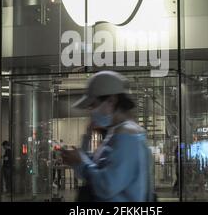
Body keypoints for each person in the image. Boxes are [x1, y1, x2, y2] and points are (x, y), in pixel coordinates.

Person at [61, 71, 154, 202]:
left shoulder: (127, 135)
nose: (91, 111)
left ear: (111, 101)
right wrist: (81, 154)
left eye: (93, 105)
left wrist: (81, 162)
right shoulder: (116, 132)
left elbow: (107, 186)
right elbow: (96, 168)